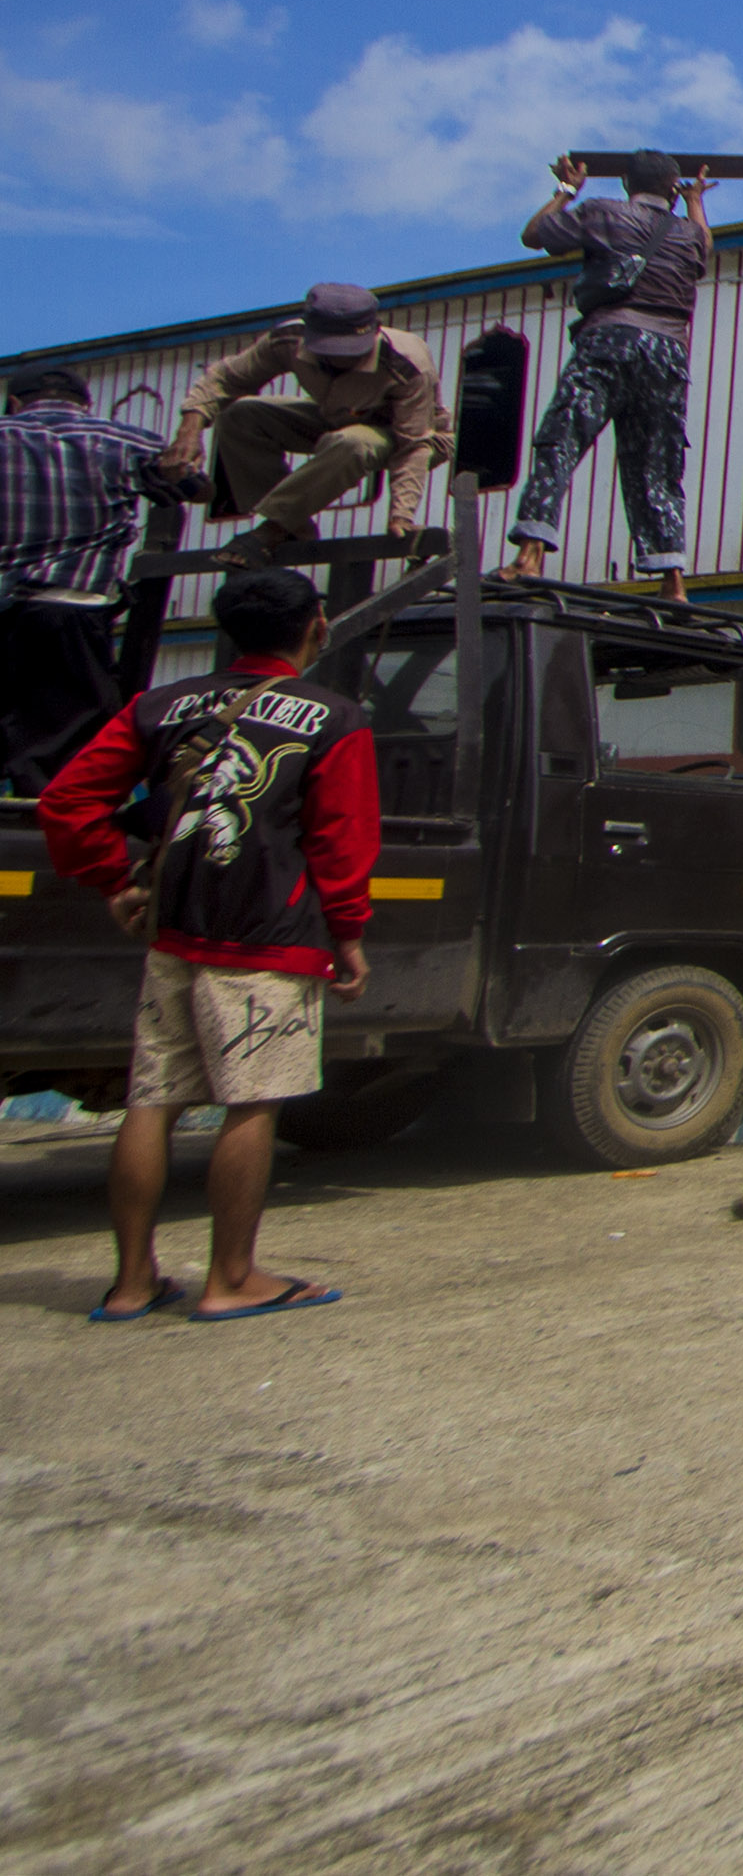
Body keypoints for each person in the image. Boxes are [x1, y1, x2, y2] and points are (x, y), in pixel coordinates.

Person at [37, 564, 374, 1323]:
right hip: (269, 941)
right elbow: (339, 841)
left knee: (151, 1100)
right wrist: (348, 934)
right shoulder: (333, 716)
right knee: (251, 1106)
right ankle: (232, 1278)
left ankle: (130, 1284)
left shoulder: (159, 705)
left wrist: (115, 880)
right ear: (316, 625)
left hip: (174, 936)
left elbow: (66, 801)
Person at [507, 152, 712, 600]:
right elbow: (703, 248)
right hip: (668, 351)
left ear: (625, 183)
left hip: (610, 339)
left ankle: (530, 554)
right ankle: (672, 581)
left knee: (561, 436)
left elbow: (533, 236)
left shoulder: (602, 212)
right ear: (673, 186)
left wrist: (566, 191)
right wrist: (694, 199)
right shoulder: (686, 233)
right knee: (658, 464)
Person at [155, 284, 447, 575]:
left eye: (350, 351)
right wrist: (188, 431)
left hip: (415, 436)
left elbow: (414, 445)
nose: (340, 360)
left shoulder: (408, 364)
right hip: (336, 417)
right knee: (239, 415)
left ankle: (272, 530)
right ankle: (294, 529)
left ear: (375, 331)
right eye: (329, 351)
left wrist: (401, 514)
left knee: (351, 443)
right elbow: (225, 378)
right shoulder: (287, 339)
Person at [1, 366, 165, 793]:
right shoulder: (124, 440)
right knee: (63, 742)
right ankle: (41, 837)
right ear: (85, 405)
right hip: (71, 609)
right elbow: (188, 484)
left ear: (16, 403)